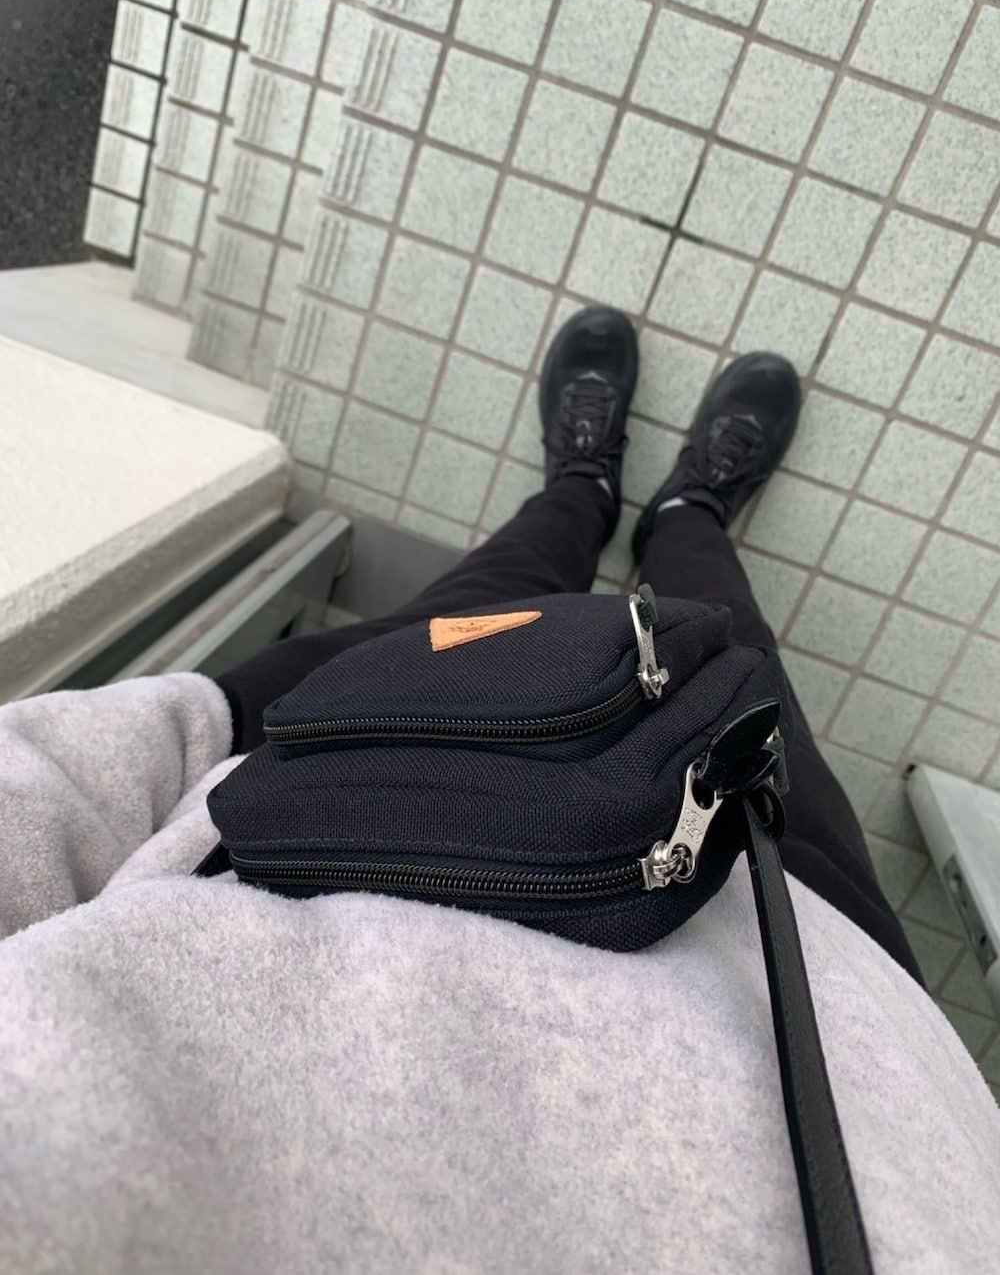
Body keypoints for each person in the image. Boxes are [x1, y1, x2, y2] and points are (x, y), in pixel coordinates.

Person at [0, 307, 996, 1274]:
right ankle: (686, 513)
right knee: (727, 633)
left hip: (326, 768)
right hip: (811, 957)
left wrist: (191, 724)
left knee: (496, 586)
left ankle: (583, 489)